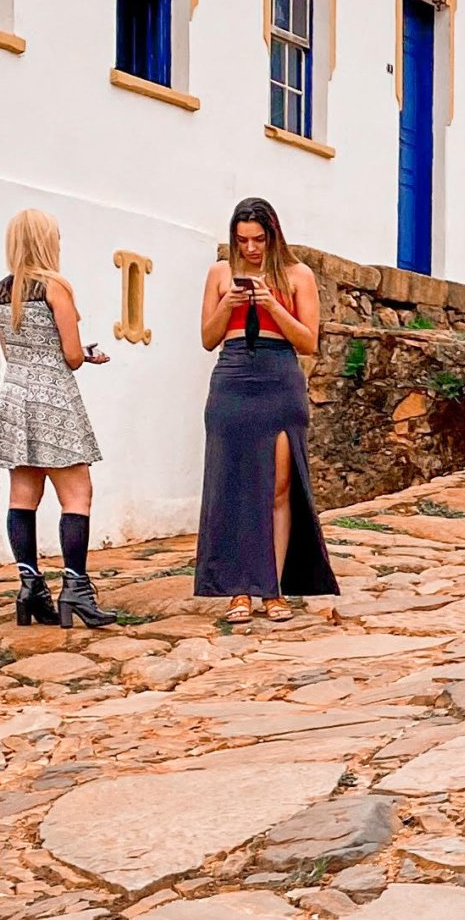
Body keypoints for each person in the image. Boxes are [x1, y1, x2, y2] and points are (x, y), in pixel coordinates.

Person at [196, 198, 338, 623]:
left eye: (258, 239)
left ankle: (272, 588)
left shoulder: (298, 275)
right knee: (232, 484)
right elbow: (207, 338)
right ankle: (239, 590)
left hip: (279, 376)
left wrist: (273, 304)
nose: (251, 248)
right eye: (242, 240)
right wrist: (229, 303)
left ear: (273, 235)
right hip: (233, 374)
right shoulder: (220, 273)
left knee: (279, 485)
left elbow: (308, 341)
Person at [0, 209, 114, 627]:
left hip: (14, 396)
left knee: (23, 495)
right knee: (77, 495)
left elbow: (12, 352)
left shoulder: (2, 291)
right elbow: (69, 356)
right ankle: (76, 588)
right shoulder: (55, 286)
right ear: (47, 241)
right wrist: (86, 355)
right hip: (52, 398)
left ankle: (30, 587)